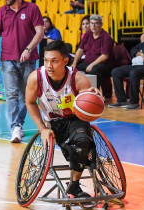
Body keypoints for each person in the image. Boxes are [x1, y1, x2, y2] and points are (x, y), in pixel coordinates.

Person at [26, 40, 100, 198]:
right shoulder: (36, 78)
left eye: (54, 61)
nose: (49, 65)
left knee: (81, 142)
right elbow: (30, 103)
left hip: (75, 119)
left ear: (65, 61)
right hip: (53, 122)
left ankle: (74, 186)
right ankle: (77, 163)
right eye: (46, 60)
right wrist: (43, 129)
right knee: (72, 149)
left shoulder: (78, 79)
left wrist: (92, 94)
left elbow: (89, 99)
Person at [0, 0, 44, 143]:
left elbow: (40, 32)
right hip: (7, 58)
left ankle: (18, 124)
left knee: (26, 95)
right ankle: (15, 127)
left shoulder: (32, 8)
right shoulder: (1, 11)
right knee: (11, 94)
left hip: (28, 59)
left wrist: (28, 49)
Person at [108, 19, 144, 109]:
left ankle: (134, 102)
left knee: (134, 73)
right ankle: (121, 100)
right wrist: (143, 54)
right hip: (142, 66)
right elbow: (133, 50)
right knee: (116, 71)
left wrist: (143, 42)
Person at [71, 14, 114, 100]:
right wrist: (74, 64)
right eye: (92, 23)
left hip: (103, 64)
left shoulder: (106, 37)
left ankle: (94, 96)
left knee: (95, 70)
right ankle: (76, 94)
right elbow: (80, 50)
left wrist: (91, 65)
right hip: (88, 62)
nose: (93, 26)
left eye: (96, 23)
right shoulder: (88, 34)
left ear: (101, 24)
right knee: (72, 67)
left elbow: (104, 56)